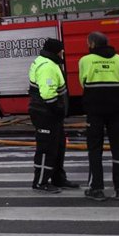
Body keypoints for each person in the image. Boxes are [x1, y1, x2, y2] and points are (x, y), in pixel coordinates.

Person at [79, 31, 119, 201]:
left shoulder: (86, 61)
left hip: (95, 111)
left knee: (95, 149)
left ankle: (97, 189)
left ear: (92, 44)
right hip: (117, 111)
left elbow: (83, 82)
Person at [28, 38, 79, 193]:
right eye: (61, 50)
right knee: (46, 148)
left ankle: (58, 178)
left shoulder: (47, 62)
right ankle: (40, 182)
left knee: (58, 146)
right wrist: (57, 109)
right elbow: (48, 93)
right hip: (46, 114)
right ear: (56, 51)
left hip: (49, 114)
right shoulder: (47, 66)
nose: (63, 53)